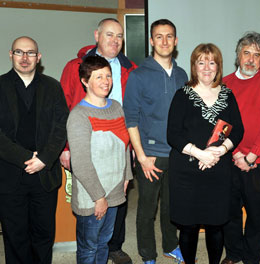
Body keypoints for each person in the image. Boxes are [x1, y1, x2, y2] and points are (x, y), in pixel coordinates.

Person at [0, 36, 68, 263]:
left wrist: (45, 159)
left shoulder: (53, 86)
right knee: (16, 237)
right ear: (11, 55)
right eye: (19, 52)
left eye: (30, 53)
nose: (25, 58)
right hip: (8, 175)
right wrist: (26, 157)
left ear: (39, 57)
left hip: (44, 174)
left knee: (44, 234)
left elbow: (61, 126)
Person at [59, 18, 137, 264]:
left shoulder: (116, 106)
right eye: (98, 77)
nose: (105, 81)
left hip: (115, 183)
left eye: (107, 76)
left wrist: (127, 177)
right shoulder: (79, 114)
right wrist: (98, 197)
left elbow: (123, 142)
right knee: (89, 246)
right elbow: (81, 163)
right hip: (93, 190)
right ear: (85, 80)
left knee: (104, 241)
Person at [167, 43, 244, 264]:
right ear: (194, 66)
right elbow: (173, 134)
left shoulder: (228, 95)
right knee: (188, 227)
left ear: (218, 66)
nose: (207, 67)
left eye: (212, 62)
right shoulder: (182, 95)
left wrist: (220, 150)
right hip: (186, 173)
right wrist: (201, 154)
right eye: (202, 62)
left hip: (218, 171)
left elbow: (238, 129)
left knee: (215, 224)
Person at [123, 19, 188, 264]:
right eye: (158, 37)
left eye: (169, 36)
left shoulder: (182, 75)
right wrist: (141, 157)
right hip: (150, 154)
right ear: (151, 41)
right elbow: (130, 119)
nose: (164, 41)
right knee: (147, 210)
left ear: (176, 40)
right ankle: (148, 255)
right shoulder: (138, 75)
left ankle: (171, 245)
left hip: (178, 154)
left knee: (172, 207)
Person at [222, 32, 260, 264]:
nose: (250, 59)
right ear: (238, 55)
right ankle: (234, 253)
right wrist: (236, 152)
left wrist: (251, 155)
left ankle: (251, 258)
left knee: (256, 215)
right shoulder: (225, 83)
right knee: (231, 212)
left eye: (256, 55)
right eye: (246, 53)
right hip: (230, 157)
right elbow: (220, 121)